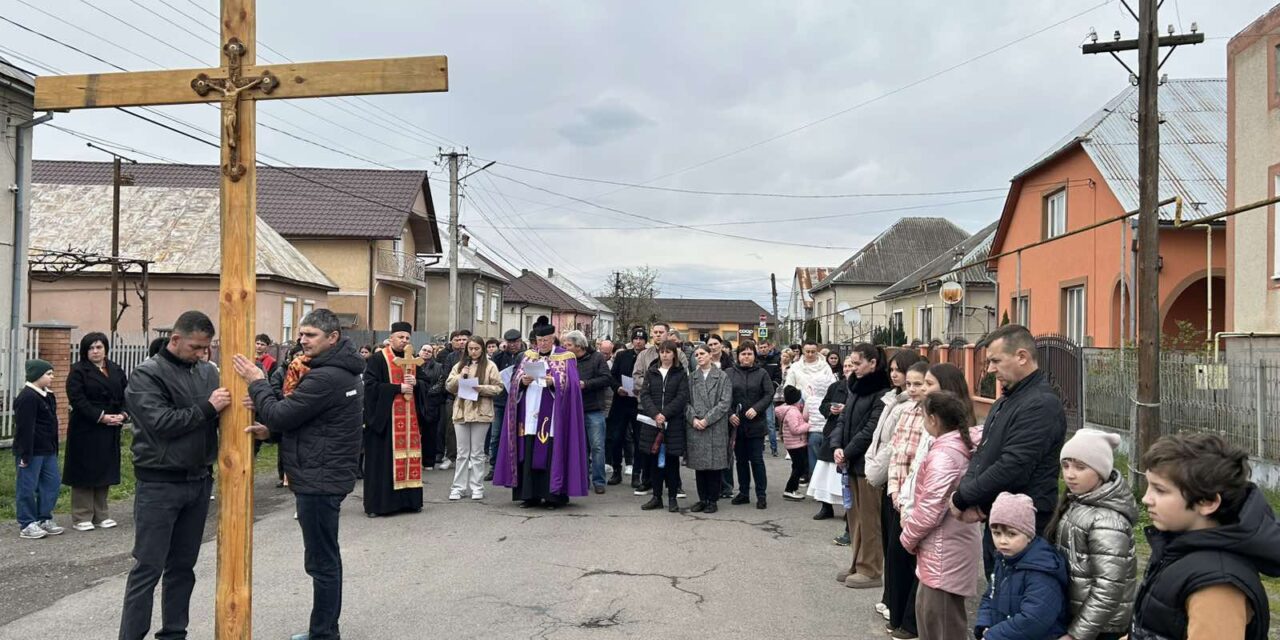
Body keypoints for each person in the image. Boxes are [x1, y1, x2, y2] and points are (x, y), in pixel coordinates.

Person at [234, 309, 363, 640]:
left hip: (319, 479)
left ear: (332, 338)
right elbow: (311, 422)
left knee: (322, 563)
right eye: (301, 334)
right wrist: (270, 432)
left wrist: (258, 384)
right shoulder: (337, 372)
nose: (302, 340)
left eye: (310, 335)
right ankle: (324, 629)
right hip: (324, 473)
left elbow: (282, 413)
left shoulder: (326, 377)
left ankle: (323, 633)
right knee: (325, 559)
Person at [119, 311, 229, 640]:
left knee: (183, 568)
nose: (201, 354)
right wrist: (209, 408)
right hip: (159, 483)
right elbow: (161, 424)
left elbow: (223, 417)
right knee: (148, 568)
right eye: (195, 346)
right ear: (176, 339)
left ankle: (174, 633)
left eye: (206, 348)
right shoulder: (146, 375)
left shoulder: (208, 373)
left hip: (198, 481)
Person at [1129, 433, 1280, 640]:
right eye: (1149, 486)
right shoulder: (1176, 548)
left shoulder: (1217, 584)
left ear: (1207, 503)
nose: (1146, 498)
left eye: (1160, 490)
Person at [952, 324, 1068, 578]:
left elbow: (1012, 467)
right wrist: (974, 499)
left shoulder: (1041, 404)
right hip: (999, 515)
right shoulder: (1006, 399)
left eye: (995, 361)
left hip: (1024, 524)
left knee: (1015, 601)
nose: (991, 369)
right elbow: (983, 455)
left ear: (1022, 357)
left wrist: (962, 498)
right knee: (997, 593)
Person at [899, 392, 983, 640]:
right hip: (946, 547)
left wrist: (907, 538)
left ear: (933, 419)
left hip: (944, 551)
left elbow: (929, 509)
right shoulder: (956, 446)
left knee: (940, 625)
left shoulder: (944, 456)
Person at [1044, 429, 1136, 640]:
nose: (1070, 474)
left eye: (1080, 467)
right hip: (1081, 617)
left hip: (1102, 628)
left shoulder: (1107, 521)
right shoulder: (1076, 503)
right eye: (1065, 465)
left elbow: (1108, 588)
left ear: (1100, 471)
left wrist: (1077, 635)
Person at [493, 318, 589, 509]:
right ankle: (529, 495)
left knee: (551, 451)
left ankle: (553, 496)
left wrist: (554, 382)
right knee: (528, 450)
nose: (542, 344)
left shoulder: (566, 357)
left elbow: (572, 386)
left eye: (546, 340)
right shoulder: (528, 356)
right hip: (529, 411)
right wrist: (522, 382)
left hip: (553, 414)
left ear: (552, 338)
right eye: (539, 340)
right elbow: (514, 382)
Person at [864, 350, 926, 628]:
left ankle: (903, 612)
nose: (895, 375)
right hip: (892, 485)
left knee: (903, 554)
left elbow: (905, 453)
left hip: (908, 494)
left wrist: (878, 471)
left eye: (915, 382)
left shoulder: (916, 409)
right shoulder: (896, 402)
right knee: (892, 549)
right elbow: (887, 442)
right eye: (893, 370)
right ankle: (891, 599)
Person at [832, 343, 891, 590]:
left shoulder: (882, 392)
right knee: (855, 518)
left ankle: (872, 569)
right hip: (850, 462)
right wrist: (836, 445)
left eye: (857, 363)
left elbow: (870, 430)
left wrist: (847, 451)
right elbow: (843, 419)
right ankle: (856, 563)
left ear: (872, 363)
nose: (853, 368)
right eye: (852, 363)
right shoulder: (855, 388)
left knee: (870, 519)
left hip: (868, 464)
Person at [974, 492, 1069, 640]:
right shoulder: (1004, 560)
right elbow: (989, 596)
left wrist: (994, 635)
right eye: (997, 533)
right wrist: (984, 625)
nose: (1002, 541)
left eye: (1011, 534)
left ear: (1029, 534)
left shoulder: (1042, 571)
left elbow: (1033, 620)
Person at [63, 332, 129, 532]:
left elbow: (128, 393)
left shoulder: (116, 369)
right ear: (85, 351)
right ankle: (81, 515)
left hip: (111, 427)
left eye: (99, 347)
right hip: (86, 427)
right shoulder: (78, 371)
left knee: (104, 468)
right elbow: (77, 399)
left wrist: (124, 415)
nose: (95, 351)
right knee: (85, 470)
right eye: (91, 348)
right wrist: (100, 416)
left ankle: (101, 514)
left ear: (105, 349)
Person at [361, 322, 424, 517]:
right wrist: (396, 388)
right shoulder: (379, 359)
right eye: (400, 337)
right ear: (391, 337)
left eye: (407, 338)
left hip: (409, 421)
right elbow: (369, 387)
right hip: (386, 422)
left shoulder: (413, 360)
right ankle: (380, 505)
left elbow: (425, 385)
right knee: (383, 462)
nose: (404, 341)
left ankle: (408, 502)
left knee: (408, 457)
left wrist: (417, 383)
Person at [631, 322, 687, 495]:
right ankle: (648, 482)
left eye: (660, 332)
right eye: (654, 332)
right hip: (649, 409)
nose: (657, 335)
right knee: (650, 449)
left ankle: (675, 485)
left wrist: (666, 407)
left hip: (671, 413)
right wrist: (654, 388)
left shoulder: (681, 355)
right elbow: (637, 377)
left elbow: (682, 383)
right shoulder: (644, 355)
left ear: (667, 333)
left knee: (671, 452)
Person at [444, 336, 503, 501]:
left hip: (481, 412)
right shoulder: (459, 365)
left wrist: (480, 388)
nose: (473, 352)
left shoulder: (490, 366)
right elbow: (449, 385)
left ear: (482, 349)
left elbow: (498, 387)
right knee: (462, 453)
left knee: (477, 453)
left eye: (477, 348)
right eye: (470, 349)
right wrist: (459, 377)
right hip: (462, 411)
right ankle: (458, 487)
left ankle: (477, 487)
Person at [13, 359, 63, 540]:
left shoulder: (47, 395)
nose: (52, 377)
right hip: (31, 451)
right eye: (48, 374)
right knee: (27, 486)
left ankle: (44, 517)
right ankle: (27, 522)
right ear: (36, 376)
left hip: (47, 450)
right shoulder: (27, 397)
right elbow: (25, 428)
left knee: (52, 483)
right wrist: (25, 454)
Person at [561, 330, 616, 494]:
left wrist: (586, 384)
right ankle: (581, 480)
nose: (565, 347)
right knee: (580, 448)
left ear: (579, 346)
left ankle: (599, 480)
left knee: (597, 447)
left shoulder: (597, 358)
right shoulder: (566, 360)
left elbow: (607, 379)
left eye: (568, 345)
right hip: (573, 409)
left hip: (593, 409)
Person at [785, 340, 836, 511]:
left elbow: (832, 385)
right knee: (803, 450)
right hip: (802, 407)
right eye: (807, 351)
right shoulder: (796, 367)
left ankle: (817, 483)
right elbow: (789, 386)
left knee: (816, 452)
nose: (810, 354)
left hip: (819, 408)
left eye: (813, 351)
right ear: (803, 351)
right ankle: (805, 478)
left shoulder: (825, 367)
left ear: (817, 352)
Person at [685, 344, 733, 513]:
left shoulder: (722, 377)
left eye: (702, 353)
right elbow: (685, 402)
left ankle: (713, 500)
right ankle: (702, 499)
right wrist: (693, 419)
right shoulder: (691, 378)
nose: (699, 357)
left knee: (713, 466)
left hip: (715, 426)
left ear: (710, 355)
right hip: (696, 426)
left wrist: (707, 419)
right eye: (696, 354)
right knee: (700, 466)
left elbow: (725, 403)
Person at [727, 340, 775, 509]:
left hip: (756, 424)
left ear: (754, 356)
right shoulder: (729, 373)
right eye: (743, 354)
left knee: (756, 460)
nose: (746, 357)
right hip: (737, 424)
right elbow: (725, 397)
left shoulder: (762, 373)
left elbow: (769, 394)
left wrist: (757, 408)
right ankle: (744, 492)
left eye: (749, 354)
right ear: (738, 356)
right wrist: (730, 413)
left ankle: (761, 495)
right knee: (740, 460)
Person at [808, 356, 850, 521]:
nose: (847, 369)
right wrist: (830, 409)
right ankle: (826, 507)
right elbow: (822, 404)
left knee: (844, 475)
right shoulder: (835, 386)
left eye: (851, 366)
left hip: (848, 435)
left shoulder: (859, 388)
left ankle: (849, 511)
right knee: (825, 472)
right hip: (831, 431)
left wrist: (846, 410)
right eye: (845, 366)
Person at [485, 329, 524, 482]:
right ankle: (493, 467)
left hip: (519, 400)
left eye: (515, 342)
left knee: (518, 435)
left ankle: (517, 466)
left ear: (520, 341)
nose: (513, 345)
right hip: (501, 401)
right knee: (496, 435)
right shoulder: (498, 356)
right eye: (510, 342)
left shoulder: (526, 355)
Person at [607, 328, 644, 488]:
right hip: (621, 402)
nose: (638, 341)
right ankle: (616, 471)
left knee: (638, 440)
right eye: (635, 338)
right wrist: (617, 388)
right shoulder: (622, 355)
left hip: (638, 403)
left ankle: (637, 474)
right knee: (616, 438)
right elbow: (612, 376)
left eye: (641, 339)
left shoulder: (649, 356)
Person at [436, 329, 472, 470]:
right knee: (451, 429)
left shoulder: (477, 355)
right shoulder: (451, 357)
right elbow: (446, 376)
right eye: (459, 339)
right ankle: (451, 457)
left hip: (472, 396)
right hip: (453, 396)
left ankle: (468, 457)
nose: (462, 342)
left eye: (464, 339)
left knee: (470, 427)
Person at [414, 344, 446, 470]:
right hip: (416, 402)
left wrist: (425, 391)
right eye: (424, 350)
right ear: (419, 351)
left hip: (431, 404)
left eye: (429, 351)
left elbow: (441, 383)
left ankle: (428, 461)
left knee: (430, 434)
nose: (426, 353)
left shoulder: (438, 367)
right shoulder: (412, 364)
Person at [777, 386, 809, 501]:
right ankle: (790, 489)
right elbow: (795, 429)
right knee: (799, 467)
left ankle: (792, 489)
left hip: (793, 444)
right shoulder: (793, 412)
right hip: (796, 444)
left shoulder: (789, 410)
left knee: (797, 466)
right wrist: (808, 426)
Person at [757, 340, 782, 457]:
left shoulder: (775, 360)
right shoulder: (756, 360)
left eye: (764, 347)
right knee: (759, 422)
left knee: (770, 423)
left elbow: (778, 378)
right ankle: (760, 446)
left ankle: (774, 447)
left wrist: (771, 388)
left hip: (768, 396)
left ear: (769, 347)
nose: (763, 349)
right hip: (756, 396)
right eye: (760, 347)